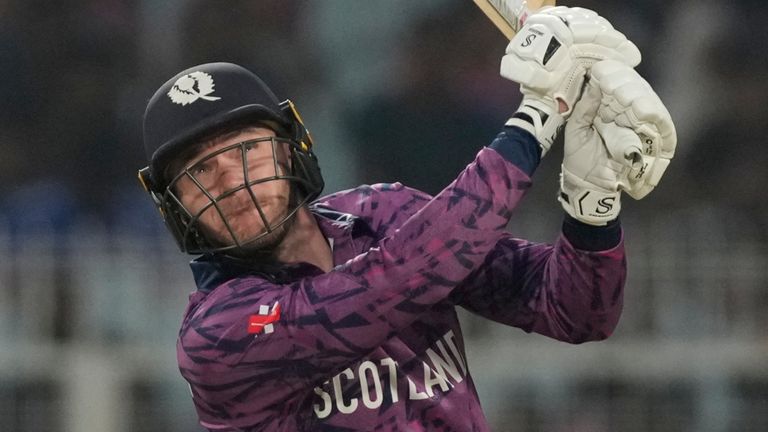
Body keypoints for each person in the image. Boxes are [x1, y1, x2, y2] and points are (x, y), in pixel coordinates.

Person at [137, 7, 675, 432]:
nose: (231, 181)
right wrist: (538, 116)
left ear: (289, 148)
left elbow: (574, 313)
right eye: (200, 171)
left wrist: (590, 203)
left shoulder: (381, 214)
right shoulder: (217, 336)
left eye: (247, 150)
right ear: (175, 206)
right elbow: (393, 282)